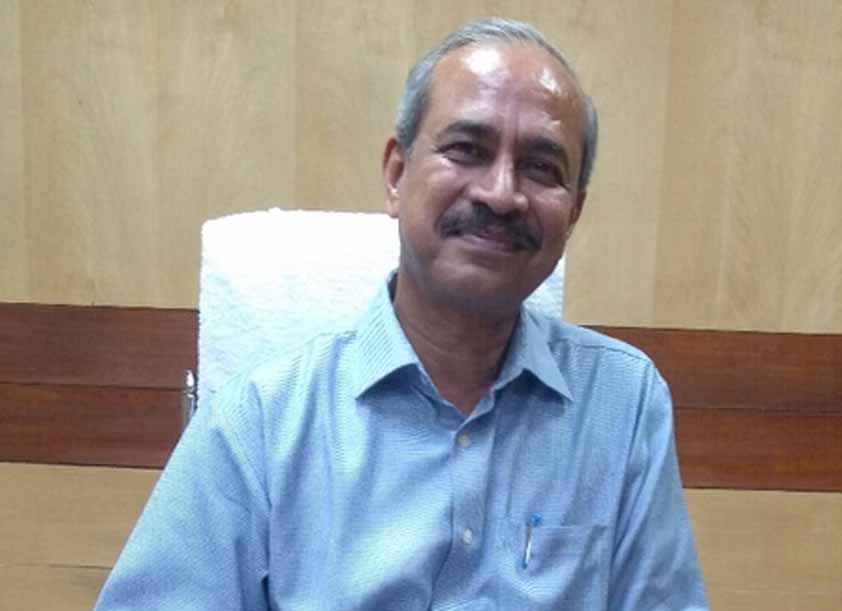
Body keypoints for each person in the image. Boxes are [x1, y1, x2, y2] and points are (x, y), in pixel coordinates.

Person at [96, 17, 708, 610]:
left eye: (541, 168)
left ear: (572, 213)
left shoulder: (624, 404)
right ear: (397, 174)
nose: (501, 193)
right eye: (467, 150)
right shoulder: (257, 423)